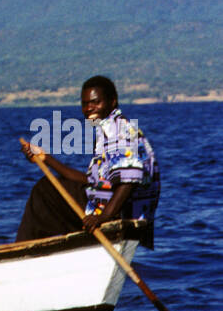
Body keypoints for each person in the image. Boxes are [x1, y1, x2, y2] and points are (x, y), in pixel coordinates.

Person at [15, 75, 160, 247]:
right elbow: (90, 181)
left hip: (118, 212)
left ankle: (27, 248)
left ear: (112, 102)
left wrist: (103, 217)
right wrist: (45, 158)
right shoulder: (108, 128)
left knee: (44, 191)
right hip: (110, 205)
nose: (89, 108)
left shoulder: (118, 131)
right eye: (85, 104)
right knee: (52, 185)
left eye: (95, 102)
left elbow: (130, 179)